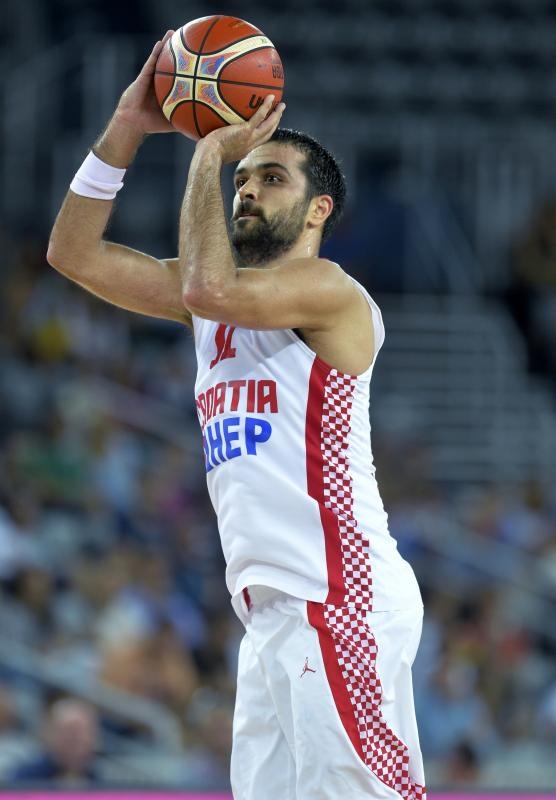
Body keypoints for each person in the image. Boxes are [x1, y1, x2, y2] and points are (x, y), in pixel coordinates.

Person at [47, 30, 426, 800]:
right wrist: (125, 130)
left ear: (319, 208)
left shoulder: (330, 291)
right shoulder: (214, 303)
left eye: (271, 177)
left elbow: (208, 289)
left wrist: (205, 157)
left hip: (338, 596)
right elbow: (73, 255)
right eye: (242, 176)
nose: (246, 189)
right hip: (272, 616)